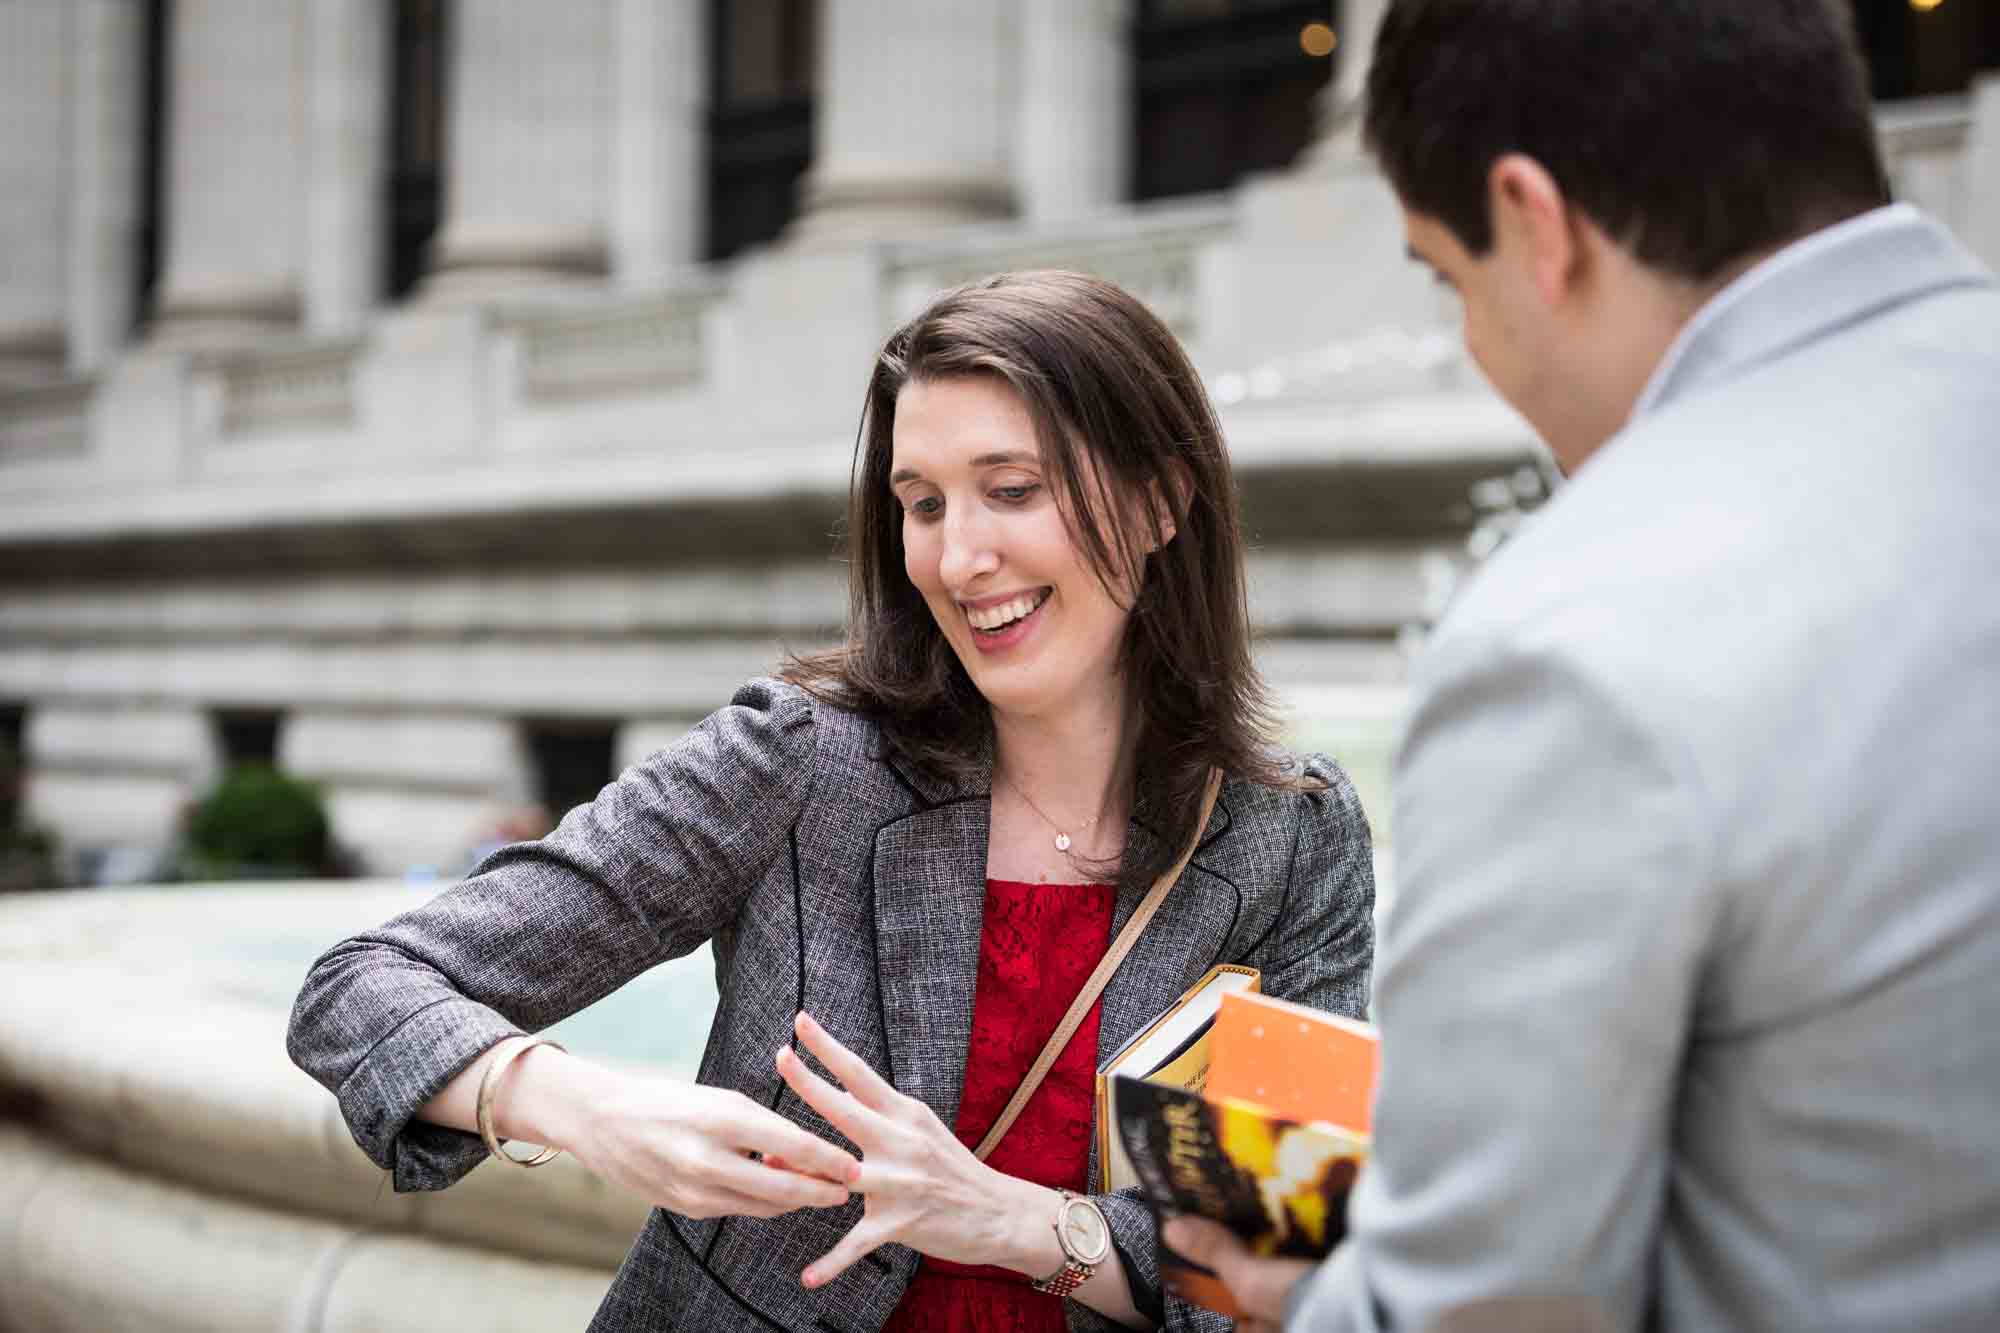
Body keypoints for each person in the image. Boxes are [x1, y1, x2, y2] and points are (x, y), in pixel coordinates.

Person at [286, 270, 1377, 1333]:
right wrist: (595, 1113)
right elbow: (360, 987)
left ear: (1158, 502)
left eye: (1012, 489)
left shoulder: (1294, 835)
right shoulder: (802, 759)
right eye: (921, 504)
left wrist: (1019, 1223)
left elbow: (1275, 1267)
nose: (959, 557)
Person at [1168, 1, 2000, 1329]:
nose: (1476, 345)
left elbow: (1488, 1307)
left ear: (1536, 222)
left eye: (1451, 278)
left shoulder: (1573, 634)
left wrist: (1320, 1297)